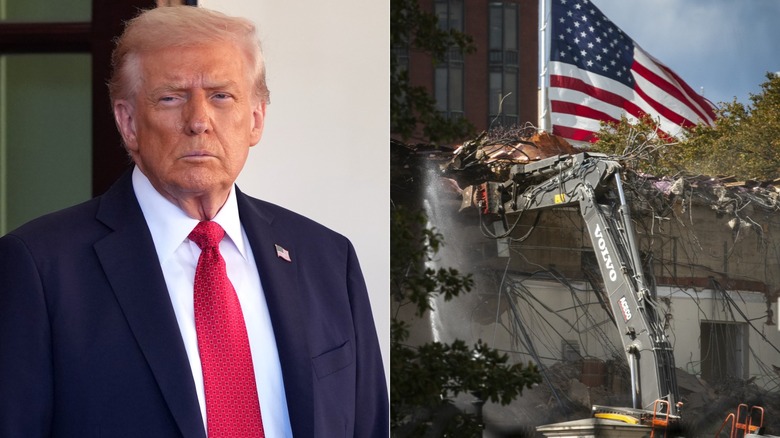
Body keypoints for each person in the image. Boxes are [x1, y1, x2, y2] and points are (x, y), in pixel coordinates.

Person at [0, 6, 388, 438]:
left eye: (221, 95)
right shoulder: (39, 266)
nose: (199, 121)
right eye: (171, 97)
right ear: (128, 123)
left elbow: (366, 424)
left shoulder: (328, 258)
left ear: (256, 119)